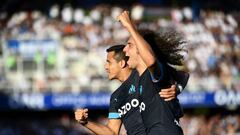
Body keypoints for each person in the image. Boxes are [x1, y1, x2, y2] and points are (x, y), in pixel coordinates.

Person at [75, 45, 182, 135]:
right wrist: (86, 122)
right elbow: (112, 132)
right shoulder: (115, 97)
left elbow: (181, 76)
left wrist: (176, 88)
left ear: (121, 63)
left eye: (109, 62)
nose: (105, 67)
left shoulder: (143, 75)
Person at [118, 11, 189, 134]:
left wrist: (130, 26)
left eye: (129, 45)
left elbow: (150, 61)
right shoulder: (140, 78)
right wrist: (178, 88)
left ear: (141, 49)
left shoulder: (153, 73)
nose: (124, 49)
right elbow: (183, 75)